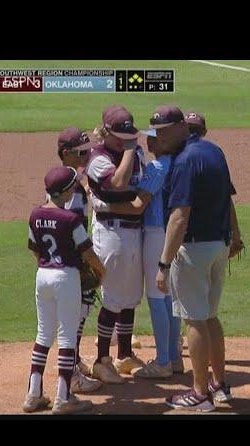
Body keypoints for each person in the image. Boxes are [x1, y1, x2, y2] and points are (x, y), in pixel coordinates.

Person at [148, 105, 244, 412]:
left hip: (193, 250)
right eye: (156, 133)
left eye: (163, 132)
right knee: (210, 316)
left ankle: (200, 392)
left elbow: (179, 217)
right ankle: (220, 385)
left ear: (181, 128)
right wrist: (236, 235)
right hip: (219, 245)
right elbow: (227, 199)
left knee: (194, 319)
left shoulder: (184, 162)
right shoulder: (214, 152)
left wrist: (164, 263)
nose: (159, 138)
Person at [90, 126, 183, 378]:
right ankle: (173, 357)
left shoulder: (156, 167)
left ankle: (164, 360)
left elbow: (138, 206)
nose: (148, 141)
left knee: (157, 298)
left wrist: (102, 205)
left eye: (153, 137)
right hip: (174, 233)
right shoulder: (179, 161)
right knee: (169, 298)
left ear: (164, 141)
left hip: (155, 234)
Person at [24, 166, 105, 414]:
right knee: (67, 337)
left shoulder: (35, 214)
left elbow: (34, 249)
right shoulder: (71, 219)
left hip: (43, 275)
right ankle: (63, 397)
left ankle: (33, 394)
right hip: (66, 277)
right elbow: (87, 252)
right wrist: (102, 273)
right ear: (67, 191)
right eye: (72, 186)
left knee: (43, 335)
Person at [86, 105, 146, 384]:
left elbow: (140, 189)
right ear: (107, 132)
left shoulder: (130, 153)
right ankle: (101, 360)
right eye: (121, 136)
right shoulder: (97, 158)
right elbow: (120, 182)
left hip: (134, 231)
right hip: (110, 233)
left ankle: (124, 355)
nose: (126, 140)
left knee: (131, 295)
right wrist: (131, 150)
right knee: (112, 297)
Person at [55, 127, 102, 393]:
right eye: (80, 153)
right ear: (66, 154)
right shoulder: (71, 188)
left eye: (87, 151)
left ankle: (72, 361)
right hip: (73, 262)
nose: (86, 156)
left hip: (64, 262)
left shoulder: (63, 181)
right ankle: (70, 374)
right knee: (76, 317)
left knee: (77, 315)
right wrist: (86, 262)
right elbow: (72, 228)